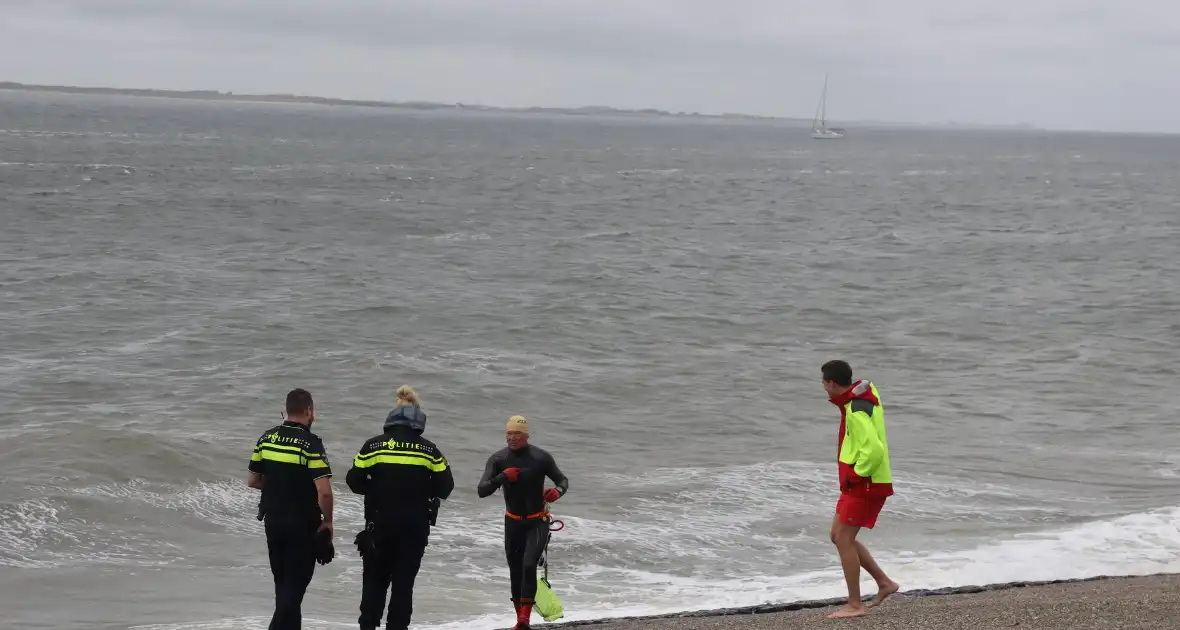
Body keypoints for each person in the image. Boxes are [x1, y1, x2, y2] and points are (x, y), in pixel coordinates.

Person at [346, 386, 455, 630]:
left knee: (373, 585)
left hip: (378, 528)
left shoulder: (372, 446)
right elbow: (445, 488)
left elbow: (353, 481)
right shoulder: (430, 450)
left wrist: (376, 490)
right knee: (403, 587)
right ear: (418, 419)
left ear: (391, 418)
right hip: (414, 529)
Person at [247, 388, 335, 630]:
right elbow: (324, 491)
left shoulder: (266, 438)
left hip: (273, 520)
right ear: (309, 410)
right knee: (294, 590)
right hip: (302, 523)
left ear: (287, 410)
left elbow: (253, 481)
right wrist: (327, 521)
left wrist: (280, 486)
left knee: (283, 585)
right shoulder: (310, 444)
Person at [821, 360, 900, 619]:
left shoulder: (856, 408)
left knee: (844, 538)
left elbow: (874, 450)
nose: (822, 387)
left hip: (865, 483)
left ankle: (855, 604)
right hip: (859, 482)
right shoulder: (862, 395)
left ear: (832, 383)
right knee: (837, 535)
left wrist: (856, 473)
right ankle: (884, 583)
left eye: (823, 382)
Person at [478, 415, 569, 630]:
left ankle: (524, 620)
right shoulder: (498, 459)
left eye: (517, 433)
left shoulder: (541, 457)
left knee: (529, 564)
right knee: (515, 570)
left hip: (538, 520)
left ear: (526, 435)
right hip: (513, 522)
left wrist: (558, 491)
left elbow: (563, 480)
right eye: (509, 433)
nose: (512, 438)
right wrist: (502, 477)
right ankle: (520, 619)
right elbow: (482, 490)